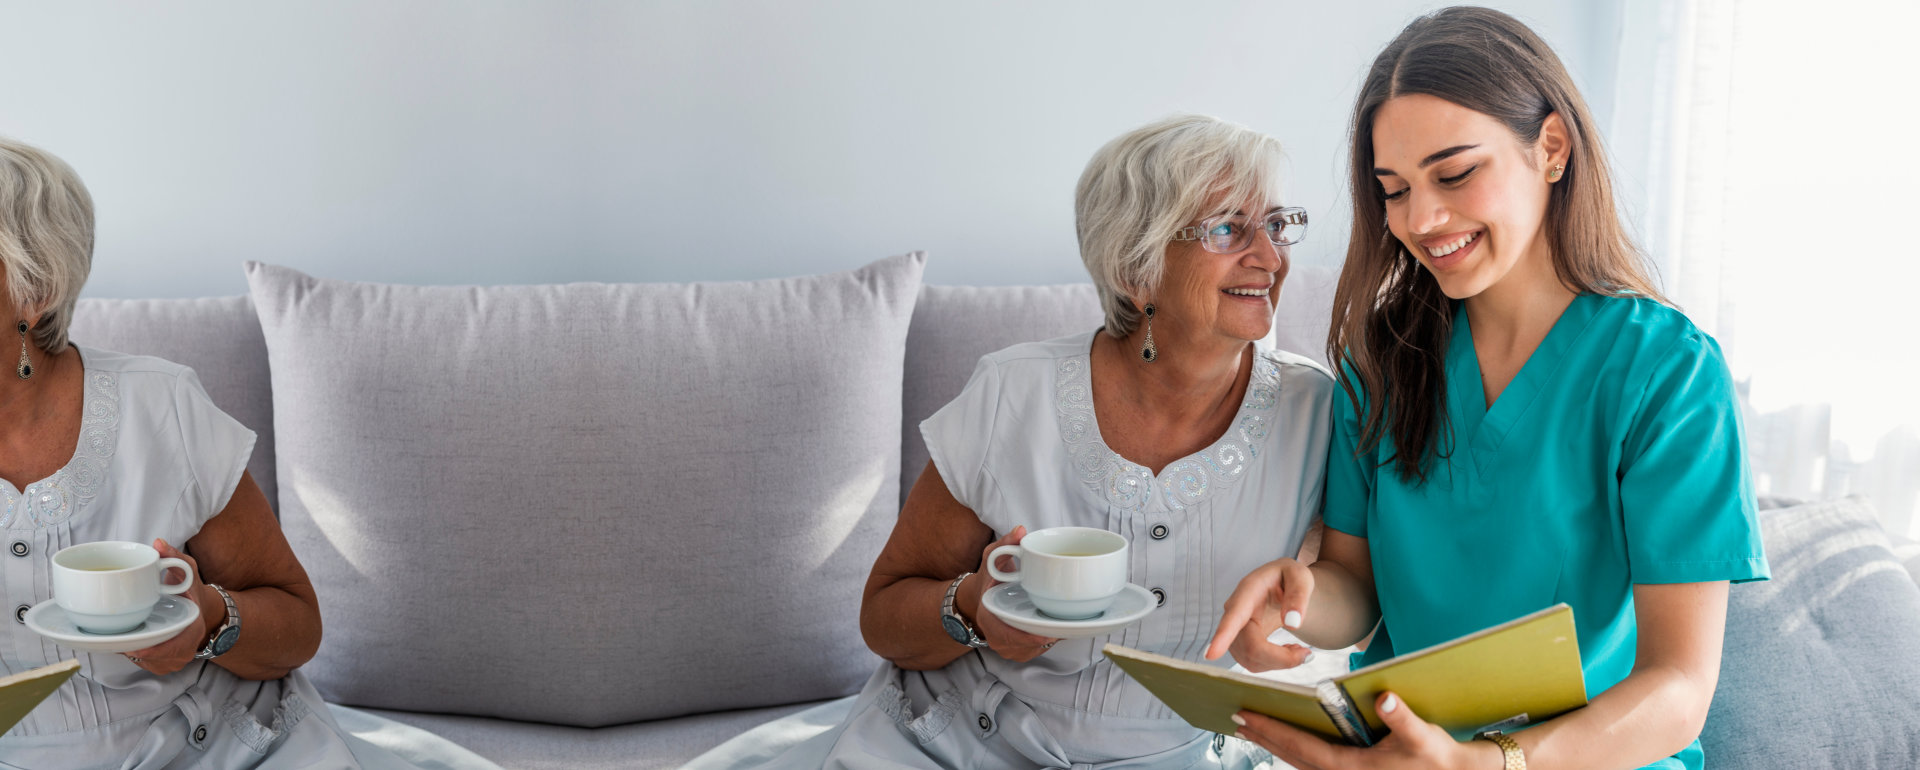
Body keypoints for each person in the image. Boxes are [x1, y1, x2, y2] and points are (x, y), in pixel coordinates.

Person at [1206, 7, 1768, 770]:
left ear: (1552, 149)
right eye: (1393, 189)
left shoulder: (1666, 372)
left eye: (1456, 173)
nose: (1421, 219)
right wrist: (1299, 596)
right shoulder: (1381, 358)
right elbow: (1356, 590)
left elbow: (1678, 684)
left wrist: (1497, 762)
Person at [686, 114, 1334, 768]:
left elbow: (1351, 592)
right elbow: (883, 615)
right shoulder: (1014, 394)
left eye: (1278, 225)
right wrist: (971, 609)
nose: (1271, 257)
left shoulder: (1316, 412)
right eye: (1228, 228)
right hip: (966, 746)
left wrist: (1292, 620)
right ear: (1137, 269)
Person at [0, 137, 496, 769]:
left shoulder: (159, 408)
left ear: (33, 288)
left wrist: (207, 620)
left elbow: (297, 623)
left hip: (217, 749)